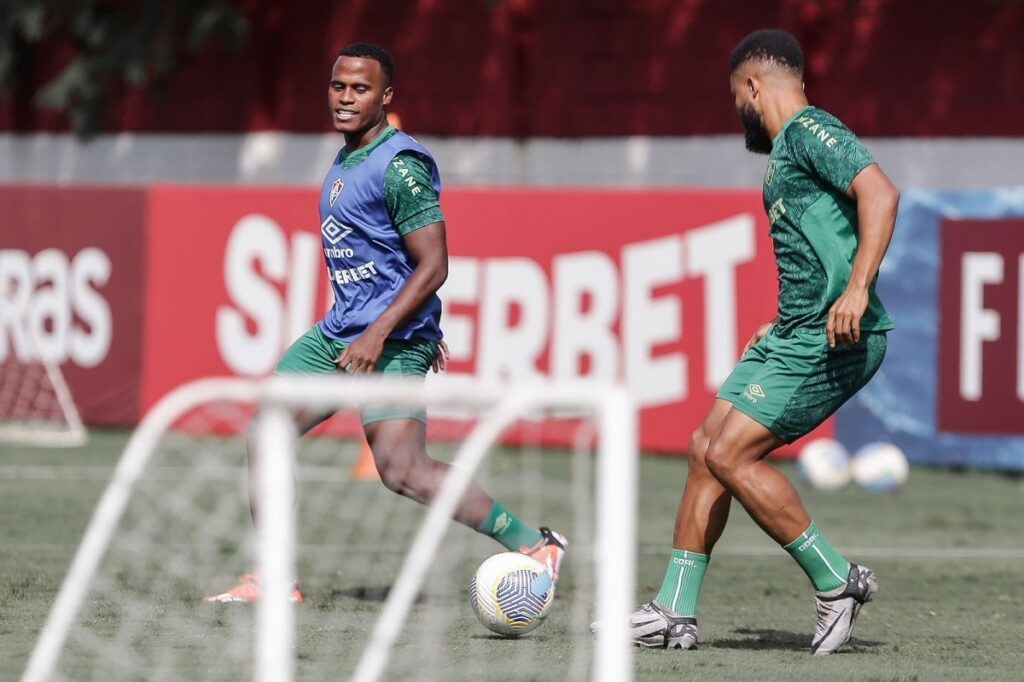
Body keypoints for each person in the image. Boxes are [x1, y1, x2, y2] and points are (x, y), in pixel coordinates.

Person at [206, 43, 565, 603]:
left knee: (402, 471)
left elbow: (435, 263)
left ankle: (533, 544)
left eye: (361, 89)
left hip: (386, 342)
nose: (346, 98)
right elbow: (383, 256)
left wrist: (389, 332)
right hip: (339, 333)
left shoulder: (400, 164)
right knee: (267, 430)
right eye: (338, 87)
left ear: (386, 97)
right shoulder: (347, 156)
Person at [620, 29, 899, 654]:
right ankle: (674, 611)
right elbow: (816, 245)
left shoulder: (810, 130)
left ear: (752, 86)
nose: (737, 110)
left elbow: (880, 192)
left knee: (731, 454)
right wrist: (783, 319)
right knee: (703, 446)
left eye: (734, 97)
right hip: (793, 332)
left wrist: (857, 291)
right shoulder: (786, 150)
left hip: (836, 335)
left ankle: (836, 583)